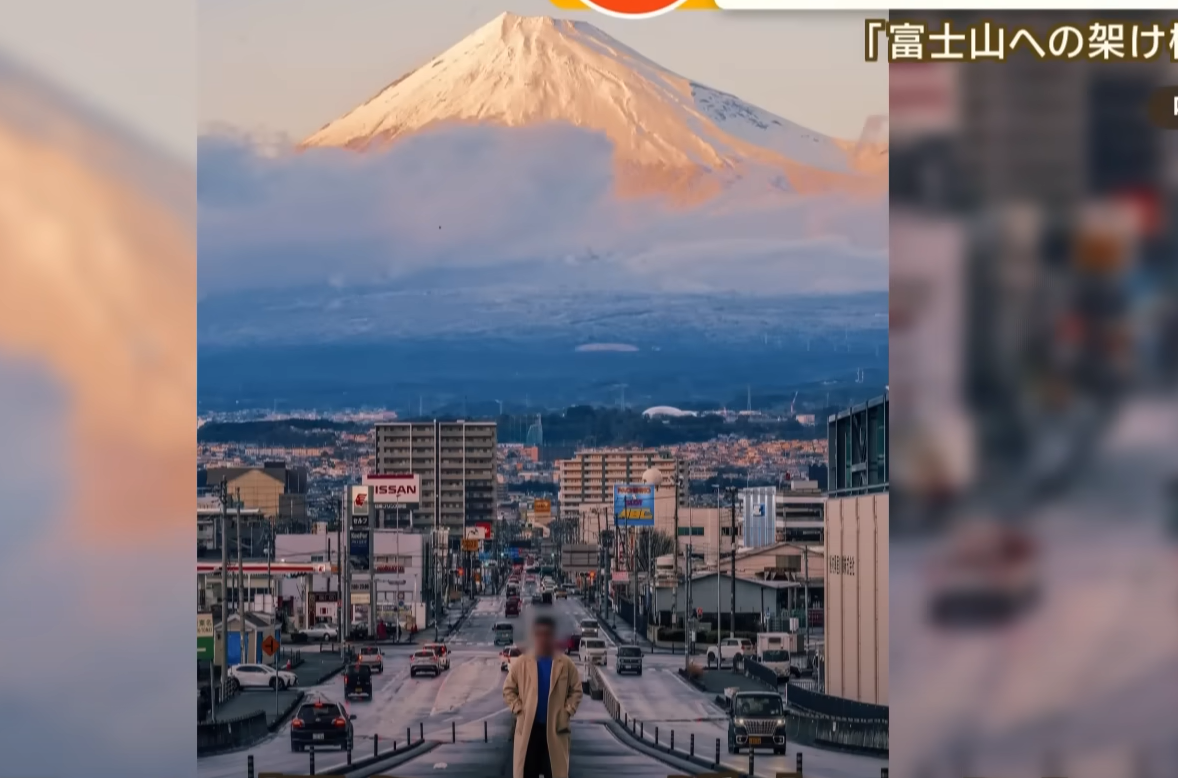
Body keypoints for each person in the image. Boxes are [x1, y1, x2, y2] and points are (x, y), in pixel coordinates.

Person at [503, 615, 583, 778]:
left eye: (547, 634)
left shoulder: (566, 664)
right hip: (529, 729)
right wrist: (519, 709)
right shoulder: (522, 663)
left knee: (554, 771)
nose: (543, 638)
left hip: (555, 728)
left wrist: (567, 711)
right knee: (527, 771)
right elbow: (508, 689)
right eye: (539, 634)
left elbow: (576, 690)